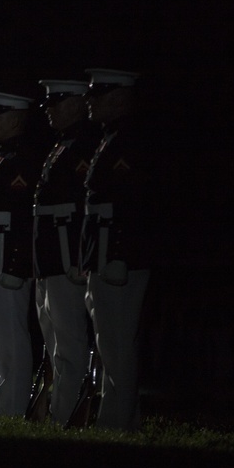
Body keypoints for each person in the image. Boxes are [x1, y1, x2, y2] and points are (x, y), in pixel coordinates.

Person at [80, 68, 152, 431]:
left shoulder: (128, 141)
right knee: (110, 344)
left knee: (119, 345)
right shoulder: (112, 139)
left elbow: (130, 202)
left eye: (100, 95)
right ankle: (118, 419)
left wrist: (119, 254)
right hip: (103, 251)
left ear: (121, 99)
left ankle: (119, 423)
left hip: (117, 254)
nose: (90, 101)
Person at [33, 79, 103, 426]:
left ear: (76, 104)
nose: (49, 110)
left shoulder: (85, 145)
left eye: (57, 103)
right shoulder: (64, 144)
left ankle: (68, 412)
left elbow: (80, 207)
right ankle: (61, 408)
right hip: (51, 255)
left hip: (66, 254)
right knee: (55, 339)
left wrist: (77, 257)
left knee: (70, 342)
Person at [0, 90, 45, 417]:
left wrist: (16, 264)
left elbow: (22, 216)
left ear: (15, 119)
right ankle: (4, 406)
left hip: (6, 258)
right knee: (1, 341)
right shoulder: (2, 157)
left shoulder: (23, 159)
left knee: (12, 340)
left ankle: (13, 408)